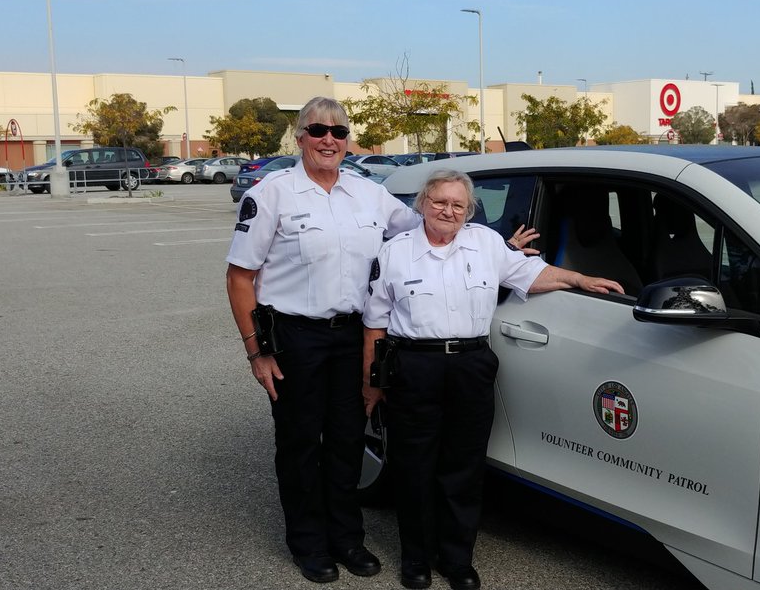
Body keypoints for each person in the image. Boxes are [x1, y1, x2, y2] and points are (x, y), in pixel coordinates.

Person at [361, 169, 623, 590]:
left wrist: (578, 278)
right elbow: (374, 326)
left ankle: (457, 560)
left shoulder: (485, 244)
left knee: (463, 468)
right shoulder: (394, 253)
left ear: (469, 211)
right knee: (413, 468)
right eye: (440, 202)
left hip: (471, 365)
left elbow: (531, 275)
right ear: (422, 205)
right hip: (414, 367)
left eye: (458, 204)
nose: (448, 210)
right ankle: (416, 560)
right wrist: (371, 383)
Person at [224, 97, 422, 584]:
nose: (328, 139)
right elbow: (239, 277)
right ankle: (308, 543)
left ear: (348, 140)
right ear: (300, 138)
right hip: (295, 336)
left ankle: (347, 538)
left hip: (353, 335)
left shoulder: (368, 194)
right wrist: (256, 351)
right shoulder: (273, 194)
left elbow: (429, 230)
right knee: (299, 443)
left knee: (348, 440)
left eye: (338, 131)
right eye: (317, 131)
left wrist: (496, 246)